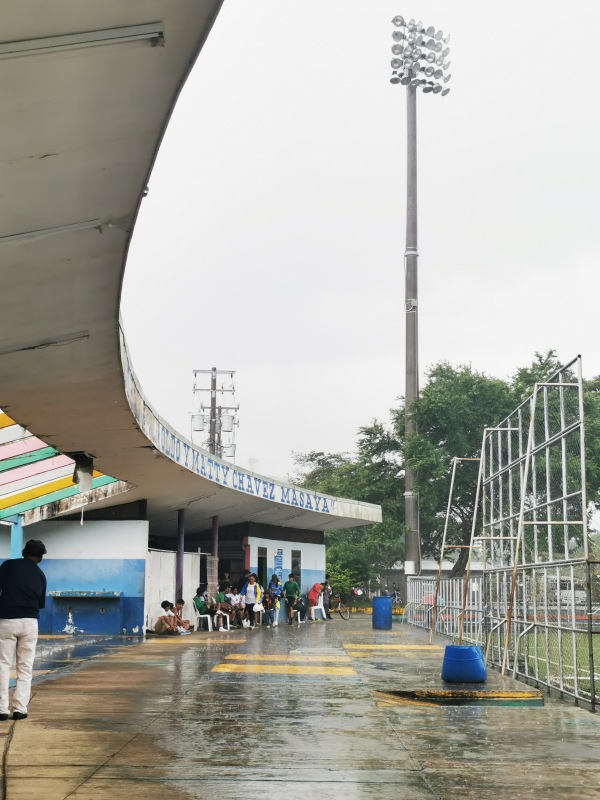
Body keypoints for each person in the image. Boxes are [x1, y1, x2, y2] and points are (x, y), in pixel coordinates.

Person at [0, 539, 47, 721]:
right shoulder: (40, 574)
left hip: (6, 620)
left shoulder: (8, 566)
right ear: (40, 557)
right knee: (25, 667)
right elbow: (40, 604)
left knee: (3, 665)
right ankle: (20, 709)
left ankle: (2, 710)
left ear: (23, 552)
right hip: (29, 622)